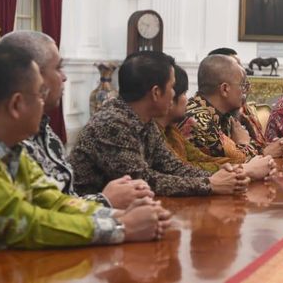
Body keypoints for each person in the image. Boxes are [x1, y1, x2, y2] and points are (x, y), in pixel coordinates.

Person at [0, 44, 170, 252]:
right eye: (40, 94)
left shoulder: (12, 149)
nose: (44, 102)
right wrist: (123, 227)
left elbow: (56, 203)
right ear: (16, 105)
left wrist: (125, 215)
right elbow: (22, 222)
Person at [0, 30, 154, 209]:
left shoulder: (43, 130)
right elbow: (37, 217)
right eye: (58, 68)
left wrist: (120, 219)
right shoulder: (12, 139)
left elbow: (59, 200)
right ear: (33, 75)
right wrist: (107, 202)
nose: (64, 77)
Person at [69, 51, 249, 197]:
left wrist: (224, 177)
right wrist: (210, 184)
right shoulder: (113, 123)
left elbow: (173, 166)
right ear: (156, 93)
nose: (174, 94)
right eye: (171, 87)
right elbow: (143, 181)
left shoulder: (144, 121)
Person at [182, 55, 276, 180]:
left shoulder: (225, 114)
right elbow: (240, 162)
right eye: (242, 86)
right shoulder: (198, 120)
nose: (245, 92)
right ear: (225, 89)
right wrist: (244, 143)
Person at [207, 47, 283, 158]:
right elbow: (221, 165)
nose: (243, 72)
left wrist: (272, 147)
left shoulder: (232, 112)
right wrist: (264, 154)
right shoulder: (201, 119)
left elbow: (254, 143)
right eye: (237, 67)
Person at [157, 64, 226, 173]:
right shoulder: (197, 118)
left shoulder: (171, 131)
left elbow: (201, 159)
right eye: (184, 93)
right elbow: (180, 169)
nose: (187, 100)